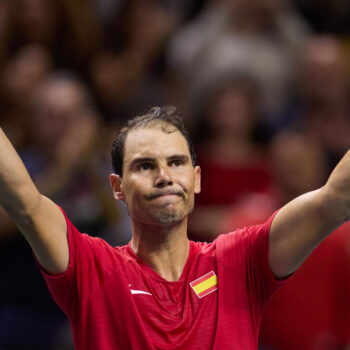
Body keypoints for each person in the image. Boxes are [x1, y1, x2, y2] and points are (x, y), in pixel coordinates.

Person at [0, 106, 349, 349]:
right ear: (117, 187)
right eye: (145, 165)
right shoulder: (92, 267)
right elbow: (25, 204)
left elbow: (335, 199)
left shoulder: (242, 259)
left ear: (196, 179)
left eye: (177, 162)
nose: (164, 176)